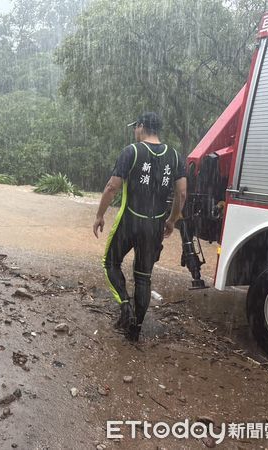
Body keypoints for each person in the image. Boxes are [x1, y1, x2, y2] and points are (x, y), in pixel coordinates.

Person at [93, 112, 187, 341]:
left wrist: (99, 215)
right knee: (144, 277)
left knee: (111, 262)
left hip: (128, 222)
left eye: (135, 127)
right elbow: (182, 193)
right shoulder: (174, 157)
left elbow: (111, 187)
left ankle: (125, 305)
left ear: (142, 126)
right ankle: (135, 330)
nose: (134, 131)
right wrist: (172, 220)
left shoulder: (132, 152)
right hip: (154, 226)